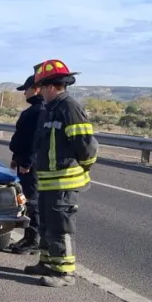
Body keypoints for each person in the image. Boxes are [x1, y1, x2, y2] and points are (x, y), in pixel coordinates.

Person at [25, 60, 98, 287]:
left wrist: (84, 166)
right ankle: (47, 262)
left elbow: (86, 145)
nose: (39, 92)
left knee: (61, 227)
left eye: (41, 88)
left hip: (63, 183)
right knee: (47, 225)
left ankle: (64, 273)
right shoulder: (51, 109)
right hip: (48, 183)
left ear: (52, 87)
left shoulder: (69, 108)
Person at [7, 70, 45, 254]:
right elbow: (22, 139)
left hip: (31, 166)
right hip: (24, 162)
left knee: (32, 202)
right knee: (27, 201)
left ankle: (34, 240)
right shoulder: (33, 111)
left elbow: (35, 141)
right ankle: (29, 237)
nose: (24, 93)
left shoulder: (39, 112)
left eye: (27, 89)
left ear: (36, 89)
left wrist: (27, 162)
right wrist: (16, 158)